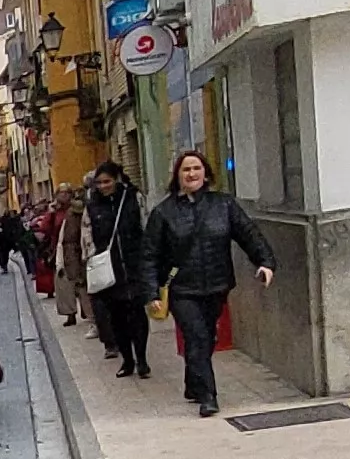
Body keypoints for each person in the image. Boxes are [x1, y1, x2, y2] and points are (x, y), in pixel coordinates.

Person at [144, 150, 275, 420]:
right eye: (186, 170)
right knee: (197, 337)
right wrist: (150, 292)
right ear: (177, 176)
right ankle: (208, 396)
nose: (191, 174)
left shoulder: (224, 205)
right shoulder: (163, 213)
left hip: (217, 284)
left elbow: (248, 233)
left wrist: (265, 261)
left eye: (196, 169)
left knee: (206, 337)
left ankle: (193, 384)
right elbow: (148, 256)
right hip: (182, 289)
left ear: (206, 174)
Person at [79, 162, 153, 379]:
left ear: (117, 179)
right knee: (117, 319)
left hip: (134, 266)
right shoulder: (92, 206)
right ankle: (127, 360)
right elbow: (87, 237)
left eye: (107, 181)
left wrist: (148, 259)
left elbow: (145, 226)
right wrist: (92, 260)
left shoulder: (132, 198)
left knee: (138, 314)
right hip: (107, 271)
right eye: (99, 183)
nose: (103, 186)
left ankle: (142, 359)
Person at [51, 187, 91, 329]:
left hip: (77, 249)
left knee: (82, 283)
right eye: (61, 193)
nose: (64, 195)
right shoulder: (55, 211)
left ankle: (89, 314)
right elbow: (51, 230)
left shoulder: (78, 209)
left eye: (67, 192)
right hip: (64, 249)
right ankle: (71, 313)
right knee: (66, 284)